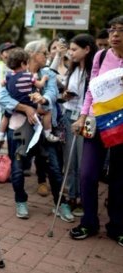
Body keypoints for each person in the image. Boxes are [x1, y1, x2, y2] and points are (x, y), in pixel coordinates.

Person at [0, 40, 74, 223]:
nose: (47, 55)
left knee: (55, 169)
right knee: (17, 170)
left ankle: (60, 203)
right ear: (32, 54)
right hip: (19, 130)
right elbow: (2, 98)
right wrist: (26, 108)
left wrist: (43, 100)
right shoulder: (12, 74)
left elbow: (52, 93)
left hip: (44, 129)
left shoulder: (47, 73)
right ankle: (20, 201)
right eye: (43, 52)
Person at [69, 16, 123, 247]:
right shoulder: (100, 56)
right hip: (96, 123)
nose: (115, 35)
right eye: (112, 30)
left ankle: (117, 226)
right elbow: (91, 90)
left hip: (121, 127)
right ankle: (89, 222)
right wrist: (82, 116)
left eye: (121, 30)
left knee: (119, 180)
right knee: (88, 174)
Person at [59, 34, 97, 217]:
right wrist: (66, 94)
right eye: (70, 49)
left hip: (86, 119)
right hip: (68, 115)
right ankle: (71, 196)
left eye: (75, 49)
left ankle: (84, 199)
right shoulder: (72, 69)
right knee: (70, 160)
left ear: (87, 49)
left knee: (84, 161)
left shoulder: (94, 70)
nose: (71, 53)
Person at [0, 48, 59, 144]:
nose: (46, 56)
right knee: (47, 111)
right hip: (26, 107)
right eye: (44, 53)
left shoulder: (8, 76)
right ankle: (48, 133)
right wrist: (43, 79)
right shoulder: (29, 76)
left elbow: (3, 85)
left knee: (6, 116)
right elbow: (39, 85)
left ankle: (1, 135)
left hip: (15, 108)